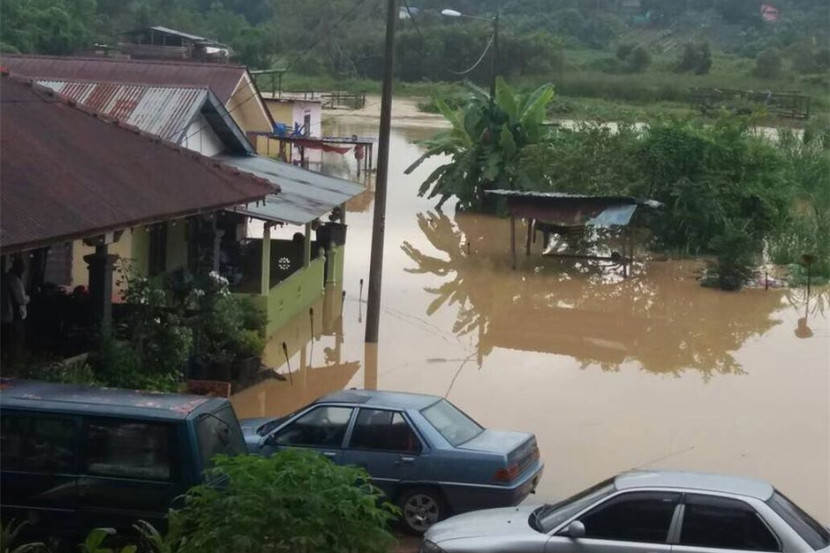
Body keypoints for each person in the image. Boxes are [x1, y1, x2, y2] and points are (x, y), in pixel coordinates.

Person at [1, 258, 30, 364]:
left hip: (4, 316)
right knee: (14, 342)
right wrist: (29, 298)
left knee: (4, 343)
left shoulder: (3, 278)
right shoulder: (14, 280)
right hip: (12, 316)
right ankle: (12, 362)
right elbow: (21, 299)